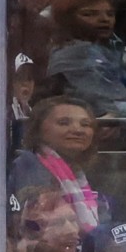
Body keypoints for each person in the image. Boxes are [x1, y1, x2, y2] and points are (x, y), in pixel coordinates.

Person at [44, 0, 126, 118]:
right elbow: (96, 102)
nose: (104, 19)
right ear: (66, 19)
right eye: (89, 14)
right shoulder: (71, 54)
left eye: (110, 14)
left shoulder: (117, 51)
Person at [11, 98, 109, 229]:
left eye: (85, 124)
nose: (78, 130)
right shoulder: (29, 165)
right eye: (64, 123)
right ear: (38, 128)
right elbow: (36, 228)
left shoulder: (82, 171)